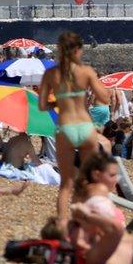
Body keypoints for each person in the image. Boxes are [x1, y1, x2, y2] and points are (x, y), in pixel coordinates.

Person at [38, 32, 110, 229]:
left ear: (60, 51)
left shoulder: (51, 74)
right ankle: (87, 222)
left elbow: (42, 105)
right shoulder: (86, 71)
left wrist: (56, 102)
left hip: (65, 127)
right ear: (78, 50)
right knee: (88, 180)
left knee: (66, 184)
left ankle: (62, 226)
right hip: (86, 127)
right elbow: (104, 98)